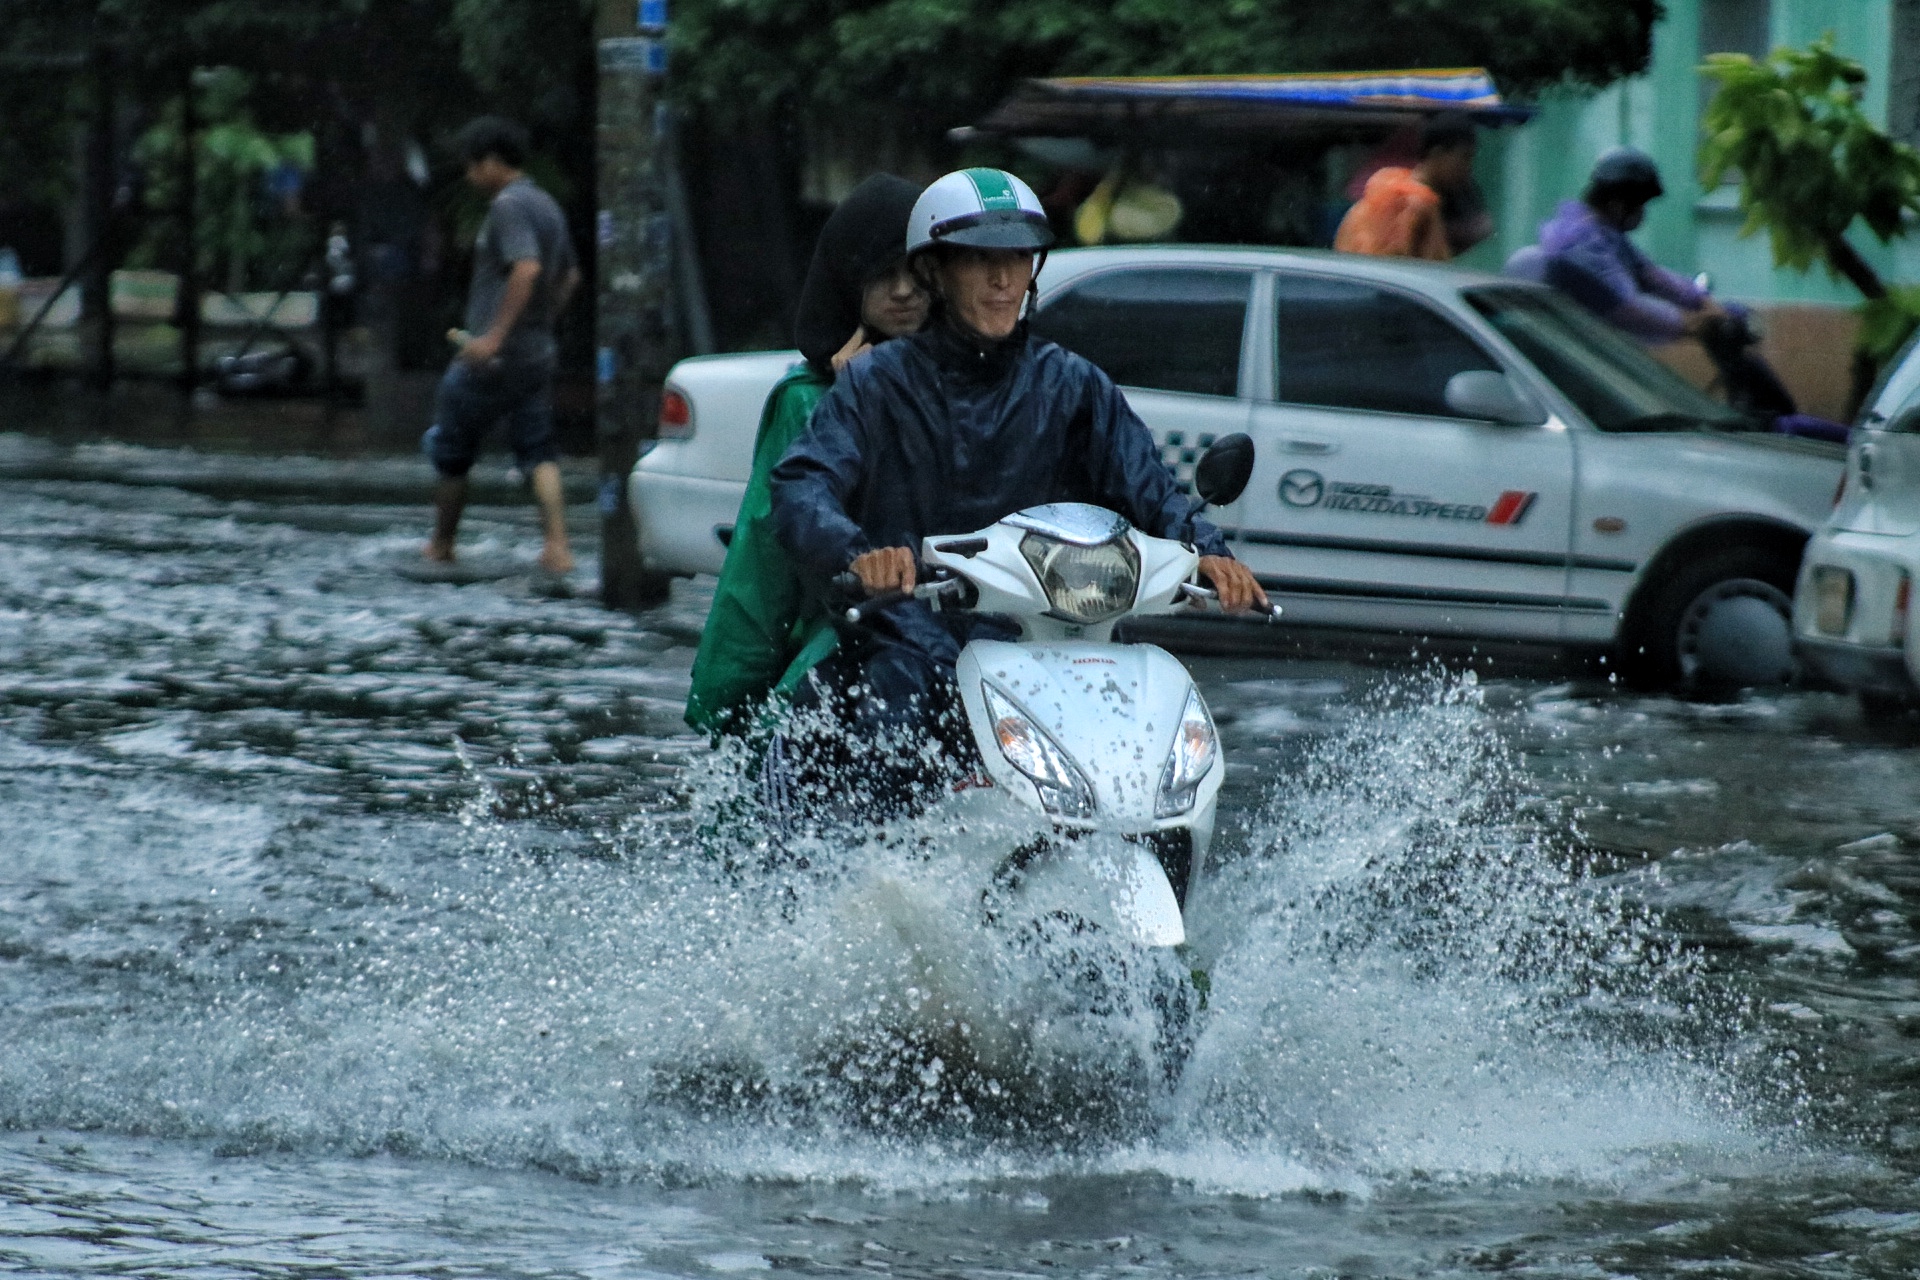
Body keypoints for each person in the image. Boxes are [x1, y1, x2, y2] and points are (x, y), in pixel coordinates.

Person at [768, 167, 1266, 752]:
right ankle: (885, 844)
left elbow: (1150, 489)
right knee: (894, 715)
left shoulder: (1075, 384)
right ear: (934, 269)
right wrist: (860, 555)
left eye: (1018, 257)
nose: (1003, 278)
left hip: (1056, 635)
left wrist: (1208, 553)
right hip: (911, 636)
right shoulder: (875, 384)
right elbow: (803, 484)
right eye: (981, 259)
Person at [684, 174, 928, 736]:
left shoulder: (978, 385)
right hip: (845, 652)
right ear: (847, 284)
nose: (903, 291)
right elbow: (762, 563)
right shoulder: (809, 401)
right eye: (882, 274)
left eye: (918, 273)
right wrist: (726, 701)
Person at [423, 116, 581, 574]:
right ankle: (558, 547)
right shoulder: (546, 204)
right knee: (539, 450)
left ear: (493, 161)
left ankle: (441, 544)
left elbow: (527, 268)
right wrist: (542, 323)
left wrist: (494, 337)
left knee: (451, 447)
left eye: (473, 166)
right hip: (535, 354)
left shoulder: (508, 206)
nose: (471, 177)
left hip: (492, 359)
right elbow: (569, 276)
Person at [1513, 147, 1725, 344]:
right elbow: (1626, 308)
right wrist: (1689, 325)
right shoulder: (1580, 242)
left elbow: (1650, 275)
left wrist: (1700, 300)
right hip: (1578, 350)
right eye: (1640, 205)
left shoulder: (1606, 235)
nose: (1642, 213)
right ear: (1617, 205)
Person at [1334, 112, 1479, 261]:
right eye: (1465, 157)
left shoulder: (1383, 186)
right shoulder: (1419, 203)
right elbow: (1429, 270)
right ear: (1438, 153)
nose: (1468, 168)